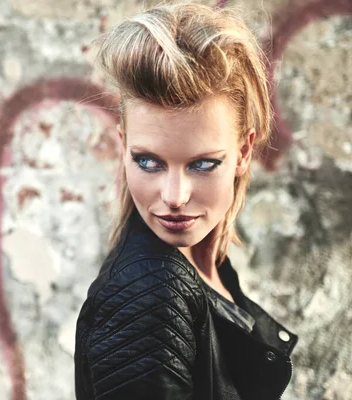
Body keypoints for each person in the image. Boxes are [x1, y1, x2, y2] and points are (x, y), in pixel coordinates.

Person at [74, 2, 298, 399]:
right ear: (123, 145)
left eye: (203, 164)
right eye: (148, 161)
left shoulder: (204, 265)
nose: (174, 197)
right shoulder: (150, 296)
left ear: (244, 152)